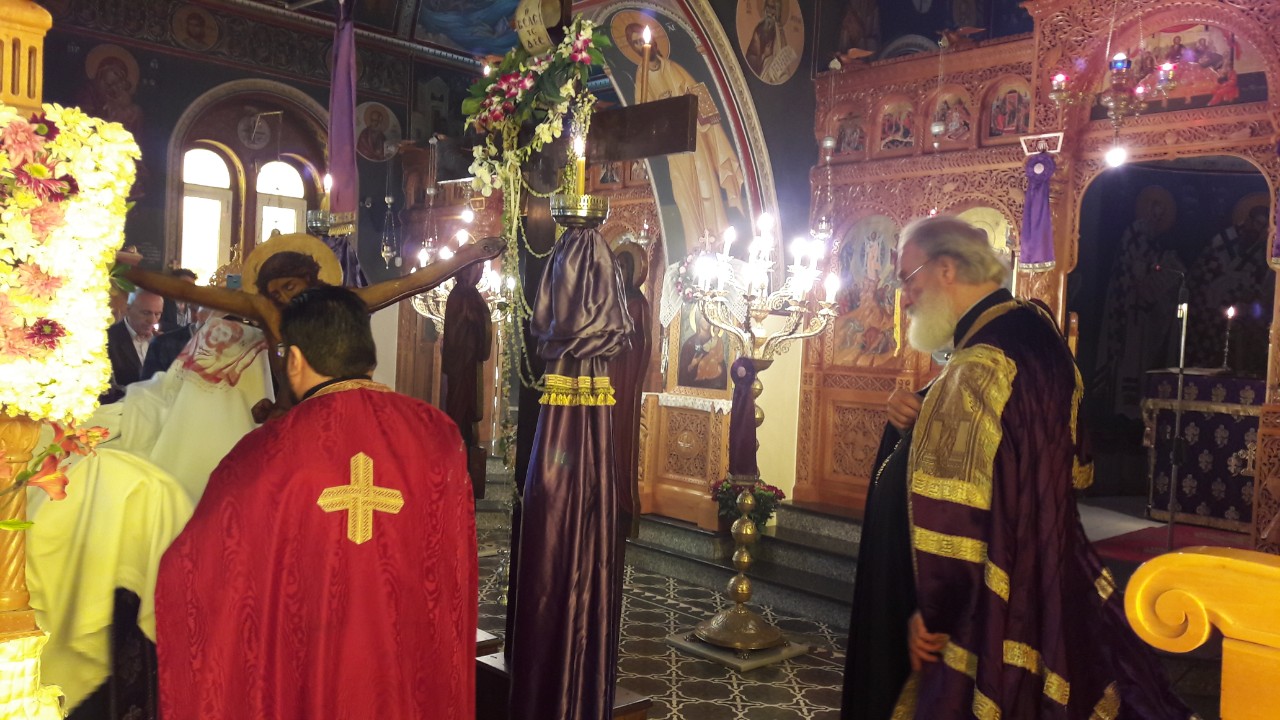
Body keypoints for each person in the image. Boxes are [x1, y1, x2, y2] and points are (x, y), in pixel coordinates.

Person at [880, 216, 1190, 718]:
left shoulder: (975, 368)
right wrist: (925, 413)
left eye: (908, 278)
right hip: (1053, 567)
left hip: (993, 598)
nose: (906, 296)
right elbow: (1078, 463)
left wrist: (934, 614)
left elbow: (952, 521)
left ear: (946, 269)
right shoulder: (1037, 330)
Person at [154, 286, 477, 719]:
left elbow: (200, 566)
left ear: (295, 359)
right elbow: (452, 568)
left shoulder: (266, 454)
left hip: (312, 662)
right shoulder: (438, 433)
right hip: (406, 660)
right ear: (367, 356)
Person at [613, 18, 746, 255]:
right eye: (635, 44)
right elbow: (643, 116)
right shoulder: (642, 78)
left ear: (654, 42)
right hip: (674, 148)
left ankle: (718, 241)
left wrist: (686, 106)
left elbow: (700, 97)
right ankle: (695, 248)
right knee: (683, 196)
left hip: (695, 140)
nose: (641, 46)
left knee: (706, 186)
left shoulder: (673, 68)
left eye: (642, 40)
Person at [440, 262, 492, 498]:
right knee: (457, 408)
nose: (475, 274)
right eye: (471, 270)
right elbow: (454, 330)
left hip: (470, 364)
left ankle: (466, 456)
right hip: (460, 364)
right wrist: (468, 319)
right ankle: (455, 454)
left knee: (470, 411)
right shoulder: (457, 295)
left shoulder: (473, 295)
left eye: (477, 271)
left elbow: (483, 324)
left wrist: (477, 321)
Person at [104, 288, 164, 403]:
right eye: (146, 313)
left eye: (157, 314)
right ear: (128, 309)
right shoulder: (107, 339)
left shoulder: (164, 341)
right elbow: (108, 389)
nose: (152, 320)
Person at [159, 267, 198, 333]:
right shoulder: (162, 301)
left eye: (192, 286)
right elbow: (158, 323)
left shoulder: (193, 304)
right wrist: (183, 330)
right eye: (185, 284)